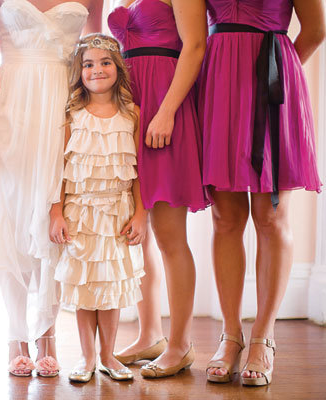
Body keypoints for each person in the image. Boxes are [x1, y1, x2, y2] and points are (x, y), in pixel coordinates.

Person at [0, 0, 102, 377]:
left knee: (53, 217)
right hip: (9, 101)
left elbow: (94, 46)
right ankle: (16, 335)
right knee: (8, 217)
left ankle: (47, 333)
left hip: (63, 106)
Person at [198, 0, 326, 386]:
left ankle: (263, 337)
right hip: (219, 84)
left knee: (271, 217)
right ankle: (231, 334)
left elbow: (317, 30)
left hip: (272, 83)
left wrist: (276, 75)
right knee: (225, 218)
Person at [108, 0, 208, 378]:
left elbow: (195, 45)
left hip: (165, 105)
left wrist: (166, 111)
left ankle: (180, 344)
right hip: (130, 109)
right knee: (138, 233)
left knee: (169, 235)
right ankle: (149, 333)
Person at [50, 33, 147, 383]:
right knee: (85, 288)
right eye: (88, 64)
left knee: (112, 288)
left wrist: (140, 213)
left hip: (118, 212)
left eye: (105, 62)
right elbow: (58, 169)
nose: (97, 70)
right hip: (80, 213)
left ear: (118, 68)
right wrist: (56, 211)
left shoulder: (132, 114)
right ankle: (86, 357)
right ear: (80, 72)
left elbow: (139, 171)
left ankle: (108, 355)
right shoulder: (71, 114)